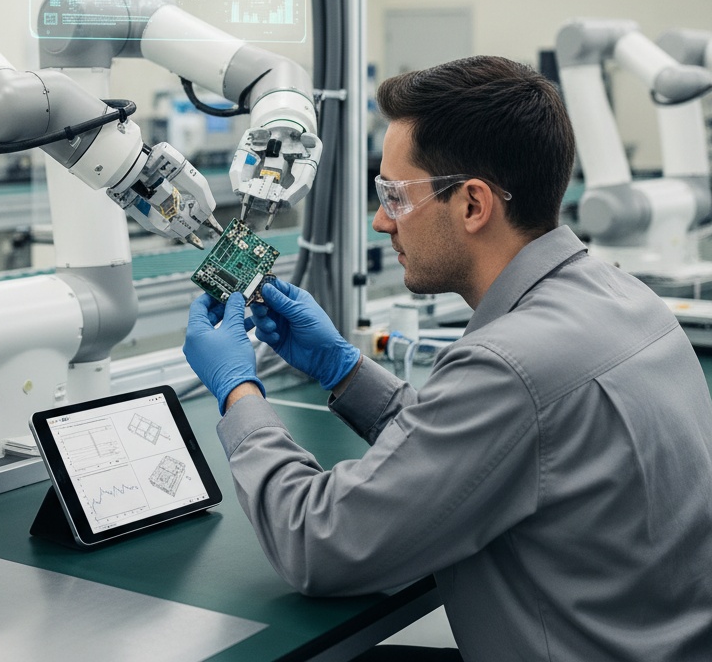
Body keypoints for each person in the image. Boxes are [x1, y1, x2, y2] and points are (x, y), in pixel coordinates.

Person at [183, 55, 712, 662]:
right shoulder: (626, 298)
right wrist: (342, 369)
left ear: (472, 204)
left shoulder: (511, 365)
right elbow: (483, 445)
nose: (381, 221)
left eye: (394, 196)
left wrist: (238, 393)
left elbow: (317, 544)